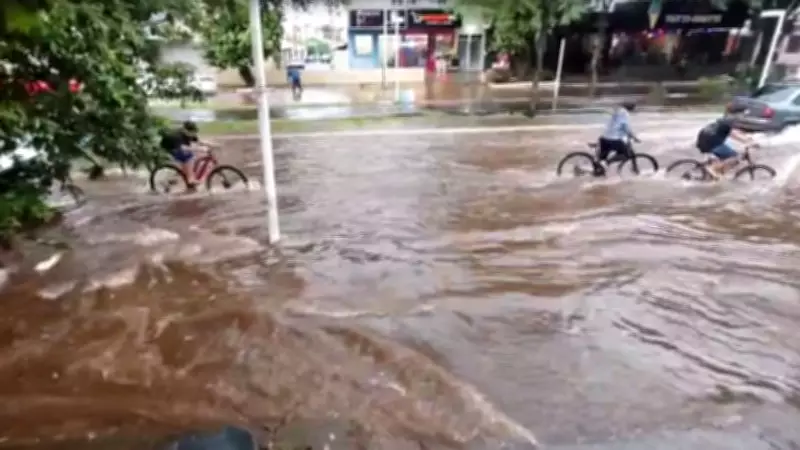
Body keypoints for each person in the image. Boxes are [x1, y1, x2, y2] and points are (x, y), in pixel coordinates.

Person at [160, 120, 212, 190]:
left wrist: (213, 145)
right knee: (188, 156)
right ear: (185, 130)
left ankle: (175, 178)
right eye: (191, 132)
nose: (193, 134)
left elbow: (199, 142)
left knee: (184, 165)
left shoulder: (190, 133)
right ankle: (190, 179)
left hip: (178, 147)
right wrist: (200, 149)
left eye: (194, 132)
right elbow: (183, 148)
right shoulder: (178, 136)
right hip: (170, 147)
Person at [596, 101, 640, 173]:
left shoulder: (617, 111)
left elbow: (615, 125)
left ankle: (597, 172)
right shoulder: (625, 114)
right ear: (631, 108)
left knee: (601, 160)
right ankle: (607, 163)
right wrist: (634, 137)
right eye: (635, 109)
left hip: (604, 138)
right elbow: (626, 127)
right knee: (626, 155)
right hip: (613, 138)